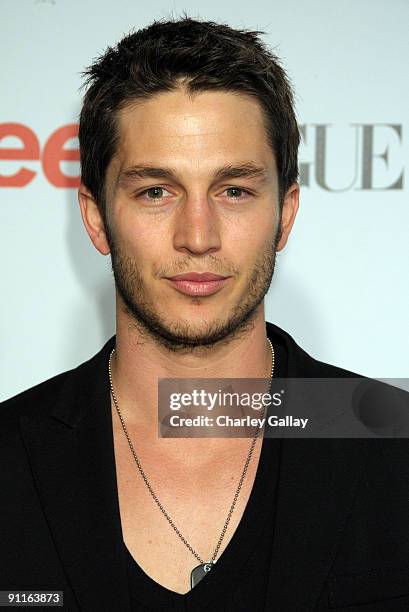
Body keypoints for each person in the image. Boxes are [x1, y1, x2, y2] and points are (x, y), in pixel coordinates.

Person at [1, 16, 409, 612]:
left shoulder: (392, 441)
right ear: (95, 218)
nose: (198, 236)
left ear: (286, 213)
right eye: (155, 191)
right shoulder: (9, 457)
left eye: (235, 190)